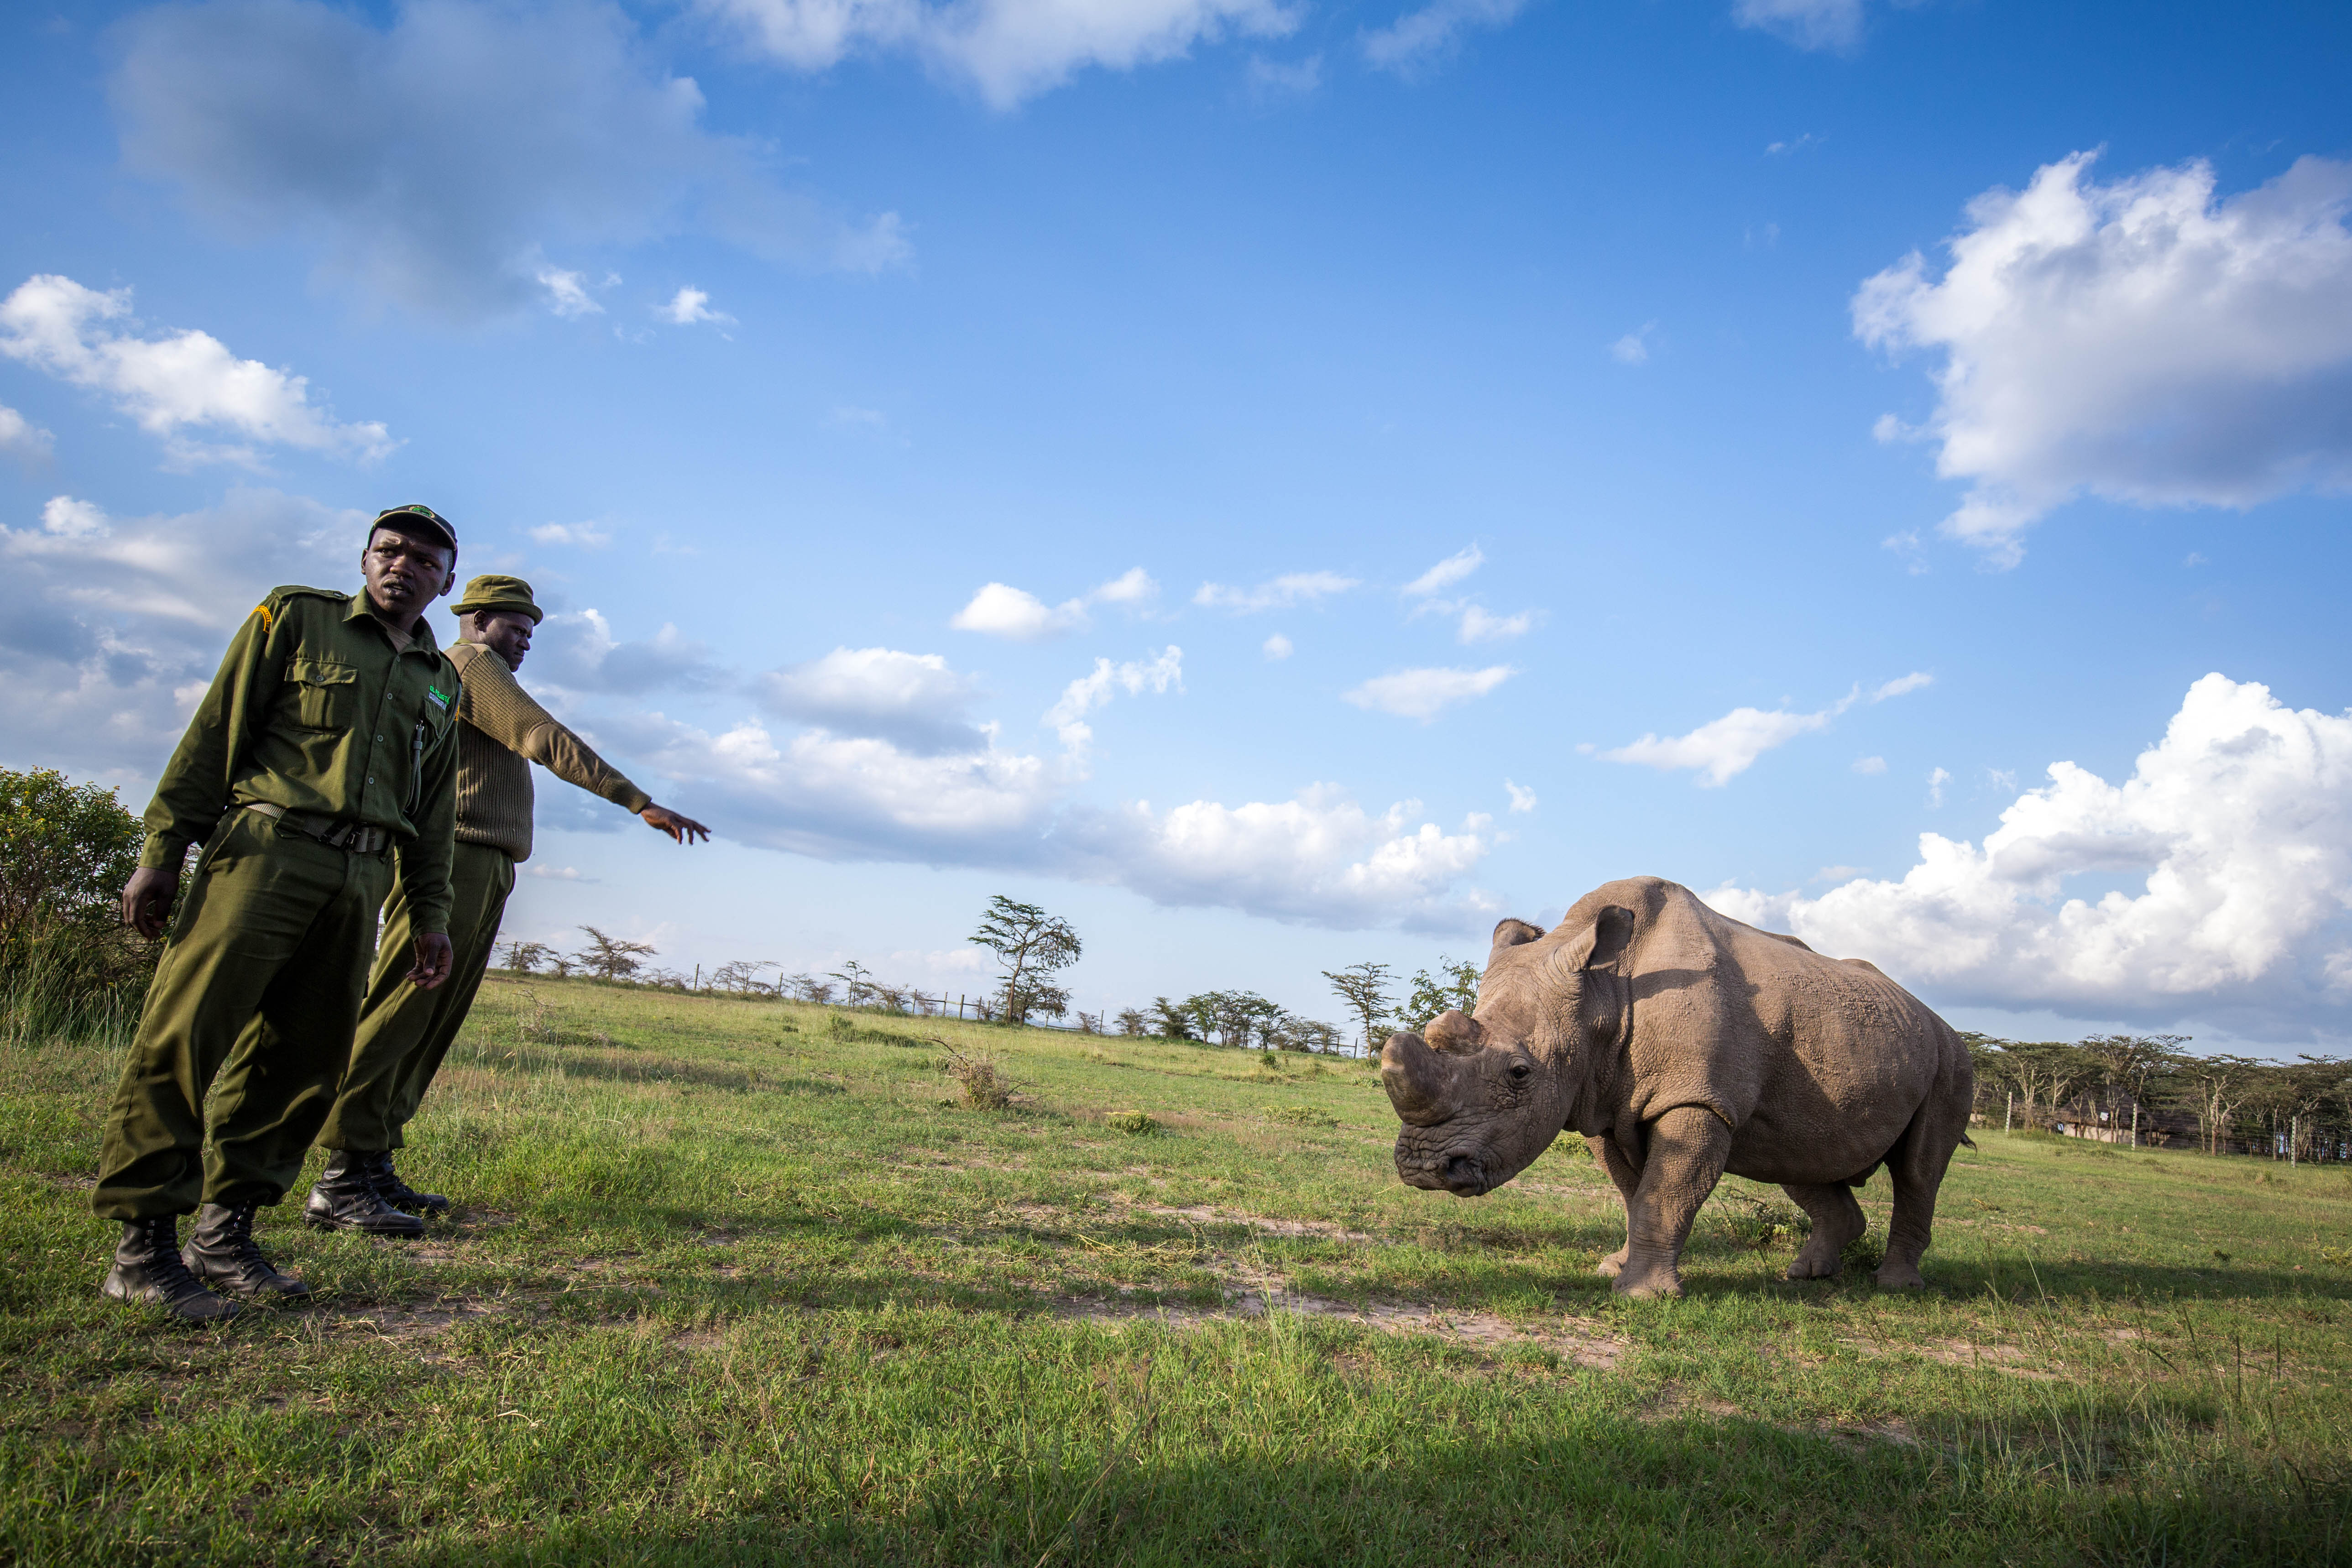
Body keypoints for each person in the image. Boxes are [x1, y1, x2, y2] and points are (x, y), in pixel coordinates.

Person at [98, 505, 465, 1321]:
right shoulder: (296, 619)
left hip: (363, 878)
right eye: (388, 550)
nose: (401, 564)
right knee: (186, 1040)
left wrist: (430, 916)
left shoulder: (443, 682)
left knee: (302, 1062)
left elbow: (433, 816)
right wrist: (163, 849)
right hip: (265, 852)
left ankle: (225, 1235)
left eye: (422, 558)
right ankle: (144, 1249)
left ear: (445, 579)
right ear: (366, 559)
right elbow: (214, 732)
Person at [305, 574, 711, 1232]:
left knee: (433, 1016)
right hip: (454, 857)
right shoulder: (472, 663)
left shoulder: (472, 665)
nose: (524, 644)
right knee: (404, 1009)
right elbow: (541, 736)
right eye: (517, 629)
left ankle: (372, 1158)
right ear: (479, 619)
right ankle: (341, 1176)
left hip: (482, 860)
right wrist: (638, 800)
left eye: (531, 634)